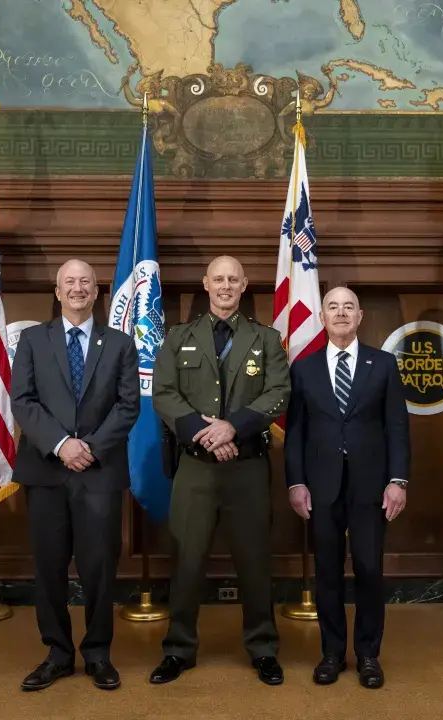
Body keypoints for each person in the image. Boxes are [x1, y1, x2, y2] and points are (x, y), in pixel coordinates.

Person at [150, 256, 291, 686]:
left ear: (245, 285)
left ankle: (263, 648)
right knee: (187, 561)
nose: (226, 285)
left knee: (254, 562)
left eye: (234, 279)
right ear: (205, 284)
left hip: (247, 468)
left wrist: (234, 427)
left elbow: (279, 392)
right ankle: (178, 649)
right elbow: (164, 392)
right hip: (195, 469)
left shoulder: (266, 338)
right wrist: (205, 434)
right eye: (219, 279)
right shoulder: (179, 338)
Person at [10, 259, 140, 692]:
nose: (78, 288)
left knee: (100, 567)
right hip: (46, 470)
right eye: (70, 282)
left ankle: (98, 654)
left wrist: (90, 447)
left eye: (86, 282)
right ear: (57, 291)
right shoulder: (32, 340)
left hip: (99, 472)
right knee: (49, 567)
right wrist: (62, 444)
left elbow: (128, 406)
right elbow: (23, 401)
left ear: (97, 290)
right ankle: (58, 654)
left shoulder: (120, 343)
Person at [284, 287, 409, 690]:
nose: (340, 313)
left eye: (348, 307)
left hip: (372, 487)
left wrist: (398, 480)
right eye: (333, 307)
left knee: (370, 569)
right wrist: (296, 482)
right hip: (321, 487)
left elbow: (397, 427)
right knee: (327, 572)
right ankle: (332, 653)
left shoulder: (384, 364)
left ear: (360, 317)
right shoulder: (303, 368)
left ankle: (369, 654)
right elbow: (296, 433)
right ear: (322, 317)